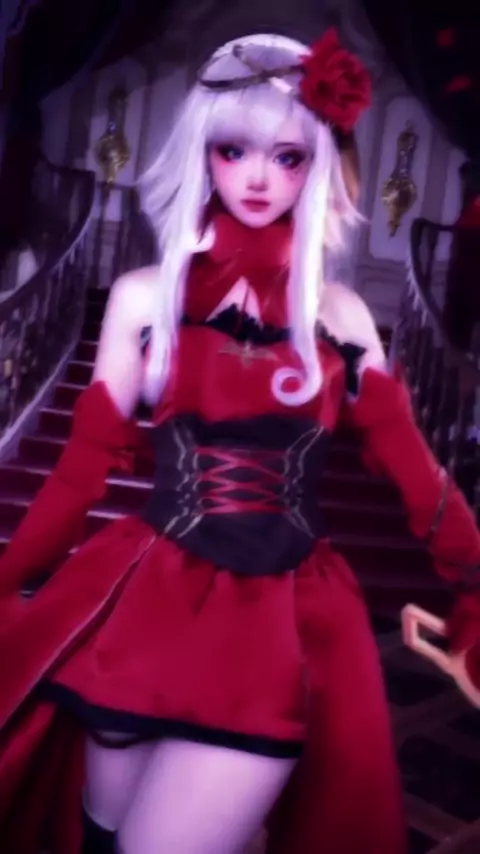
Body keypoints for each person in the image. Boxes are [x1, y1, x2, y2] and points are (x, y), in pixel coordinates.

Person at [0, 29, 479, 854]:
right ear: (202, 154)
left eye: (288, 157)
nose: (258, 178)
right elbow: (81, 473)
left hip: (271, 628)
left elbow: (417, 473)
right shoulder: (144, 298)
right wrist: (9, 580)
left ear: (318, 167)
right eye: (233, 150)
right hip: (142, 607)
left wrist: (476, 583)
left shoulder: (339, 316)